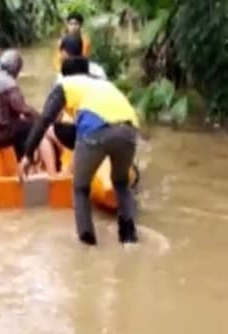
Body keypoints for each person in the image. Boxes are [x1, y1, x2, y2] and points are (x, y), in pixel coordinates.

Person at [19, 56, 140, 246]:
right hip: (129, 130)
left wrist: (27, 154)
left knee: (81, 188)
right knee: (121, 183)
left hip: (95, 130)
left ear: (65, 75)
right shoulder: (103, 84)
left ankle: (87, 242)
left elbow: (45, 120)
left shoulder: (64, 85)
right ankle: (129, 238)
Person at [0, 50, 57, 174]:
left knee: (19, 125)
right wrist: (42, 119)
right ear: (16, 68)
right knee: (33, 127)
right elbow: (22, 108)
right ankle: (28, 166)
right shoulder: (8, 82)